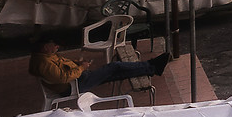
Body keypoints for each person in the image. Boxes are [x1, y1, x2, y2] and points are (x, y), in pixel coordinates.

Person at [30, 38, 172, 94]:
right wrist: (81, 68)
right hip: (76, 85)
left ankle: (152, 68)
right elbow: (63, 77)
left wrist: (77, 63)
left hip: (79, 79)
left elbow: (62, 65)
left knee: (115, 74)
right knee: (114, 66)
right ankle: (150, 65)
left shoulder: (46, 56)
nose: (57, 47)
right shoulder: (43, 63)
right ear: (45, 47)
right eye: (54, 45)